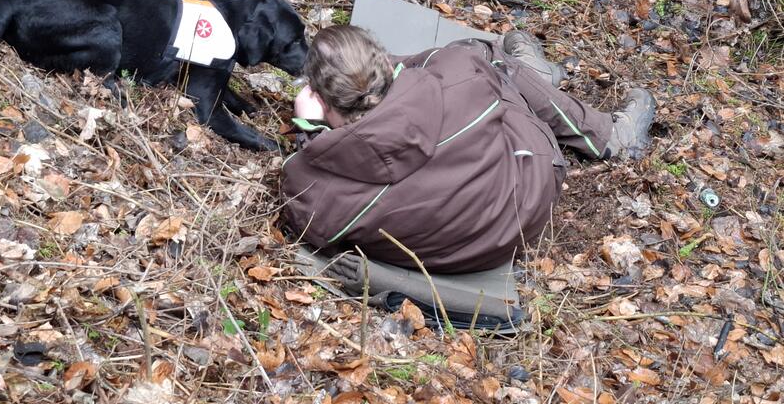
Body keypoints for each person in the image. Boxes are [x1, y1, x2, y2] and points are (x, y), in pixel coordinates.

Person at [281, 26, 655, 274]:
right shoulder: (456, 73)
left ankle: (538, 80)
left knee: (481, 68)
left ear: (319, 100)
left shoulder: (313, 189)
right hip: (530, 194)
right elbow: (434, 63)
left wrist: (309, 130)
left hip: (469, 255)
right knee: (487, 57)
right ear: (383, 65)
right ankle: (605, 135)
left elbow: (304, 216)